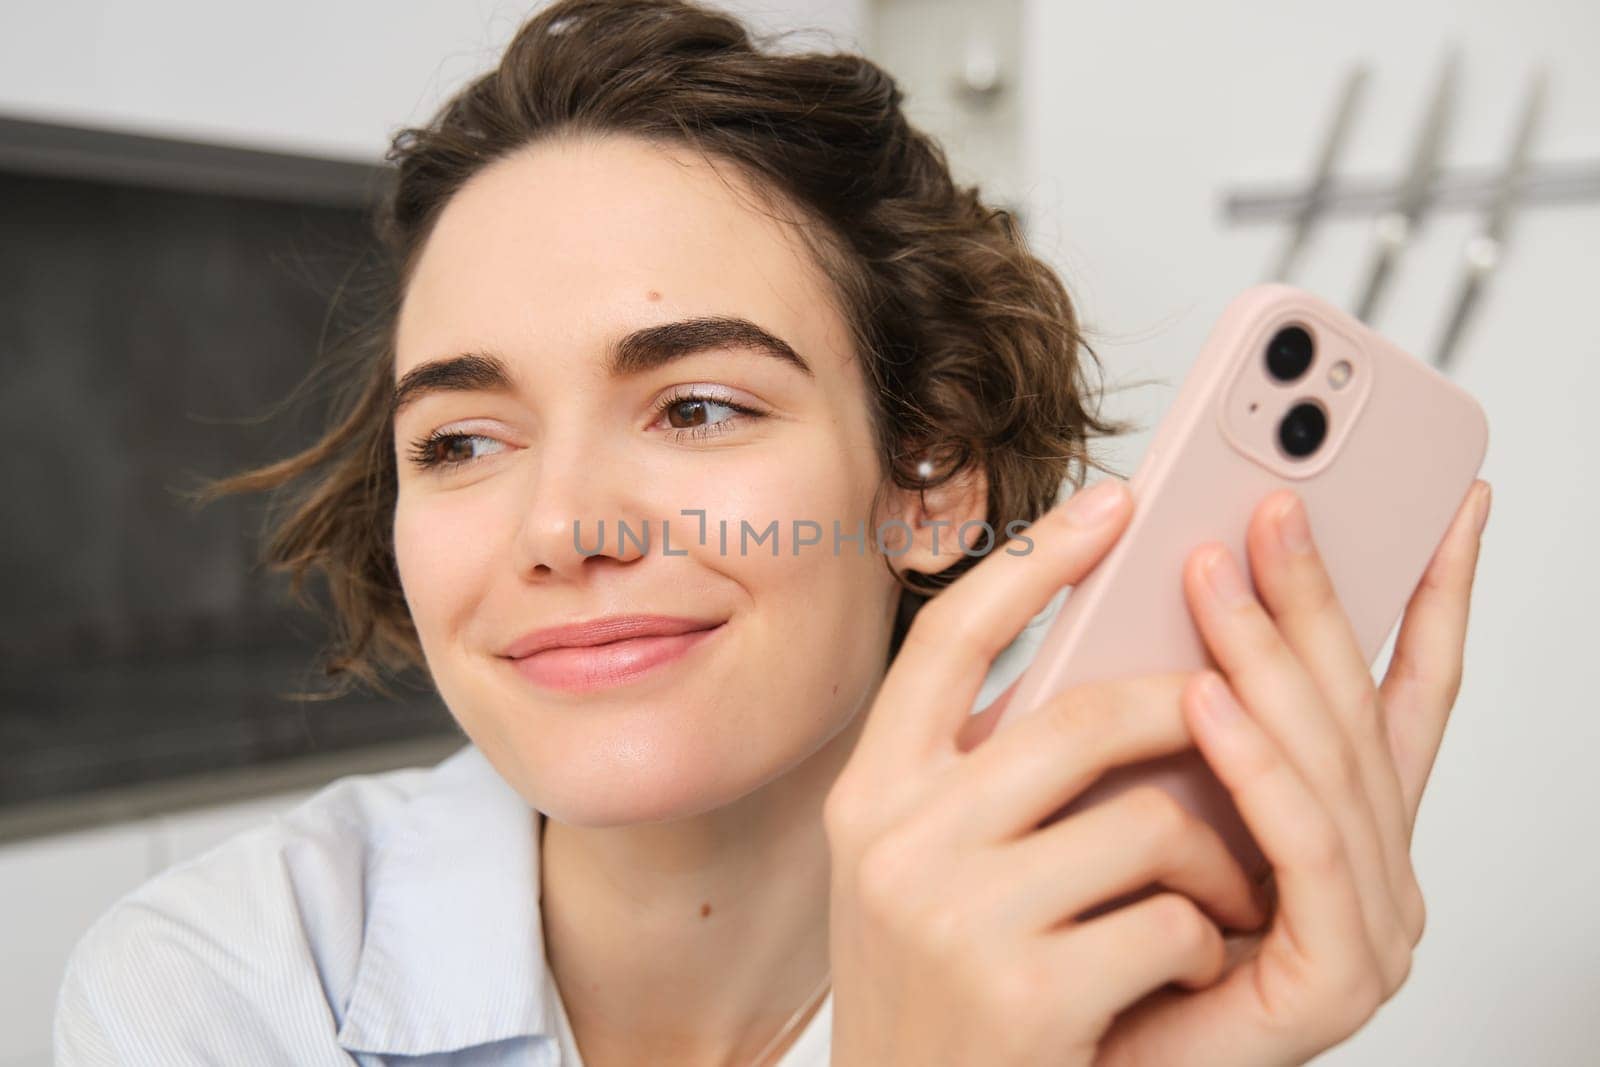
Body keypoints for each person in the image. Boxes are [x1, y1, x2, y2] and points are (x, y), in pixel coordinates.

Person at [53, 1, 1492, 1064]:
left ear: (928, 482)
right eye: (462, 442)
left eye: (694, 409)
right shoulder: (218, 988)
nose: (560, 529)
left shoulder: (1133, 981)